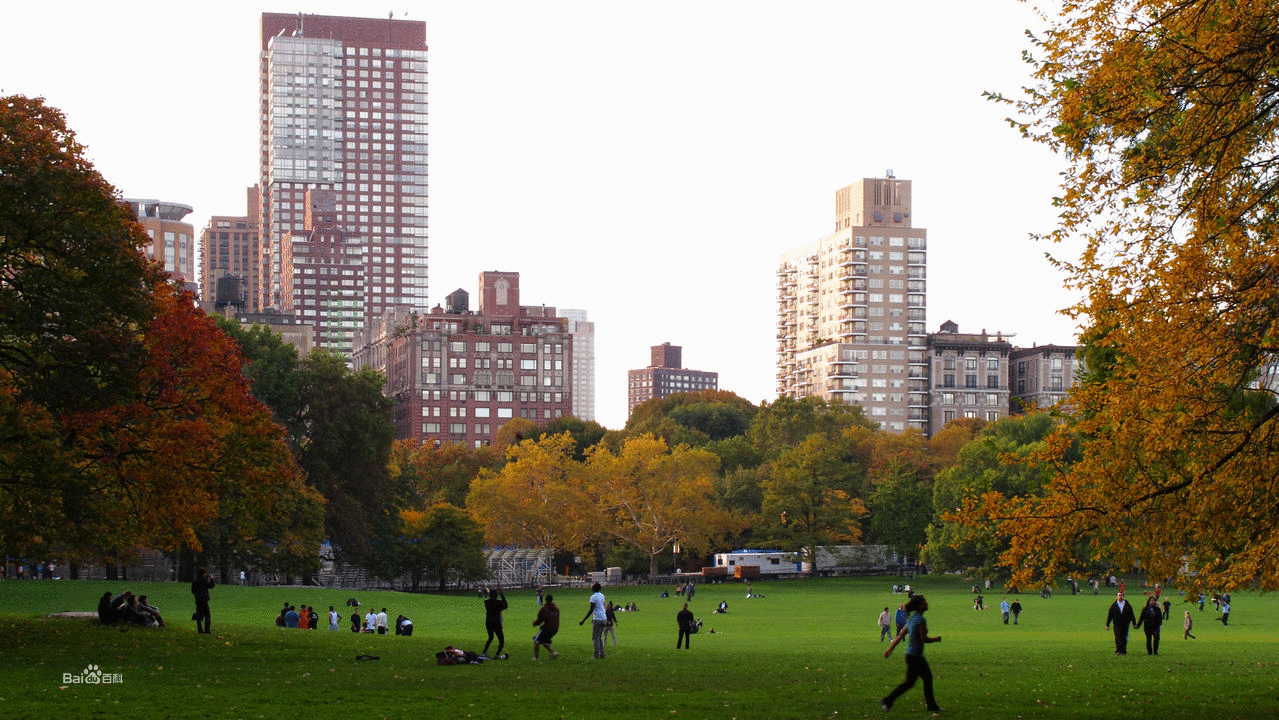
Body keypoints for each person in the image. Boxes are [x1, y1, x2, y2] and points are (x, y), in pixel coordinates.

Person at [881, 594, 943, 713]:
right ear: (920, 606)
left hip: (910, 656)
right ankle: (931, 705)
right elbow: (924, 638)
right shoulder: (920, 620)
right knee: (925, 679)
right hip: (916, 657)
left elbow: (900, 636)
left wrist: (890, 649)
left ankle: (888, 701)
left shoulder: (912, 619)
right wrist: (936, 639)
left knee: (912, 682)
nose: (927, 604)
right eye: (925, 602)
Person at [579, 582, 608, 659]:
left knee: (595, 637)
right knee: (599, 637)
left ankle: (596, 654)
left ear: (594, 588)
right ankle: (602, 654)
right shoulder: (602, 595)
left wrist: (583, 620)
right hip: (604, 618)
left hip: (597, 619)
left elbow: (591, 609)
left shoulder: (593, 597)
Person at [1105, 590, 1137, 654]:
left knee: (1124, 637)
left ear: (1123, 596)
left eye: (1121, 595)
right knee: (1118, 637)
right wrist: (1107, 625)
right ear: (1117, 596)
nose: (1120, 597)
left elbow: (1131, 614)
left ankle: (1123, 650)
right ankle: (1118, 650)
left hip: (1125, 623)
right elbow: (1110, 615)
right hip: (1117, 624)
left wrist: (1134, 623)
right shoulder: (1114, 605)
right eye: (1119, 595)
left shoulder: (1127, 605)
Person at [533, 593, 560, 660]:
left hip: (547, 628)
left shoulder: (544, 608)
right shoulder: (556, 608)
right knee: (545, 641)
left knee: (536, 641)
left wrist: (535, 623)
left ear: (545, 600)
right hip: (555, 629)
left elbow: (540, 619)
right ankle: (553, 653)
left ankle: (536, 657)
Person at [482, 589, 508, 658]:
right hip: (497, 623)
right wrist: (502, 595)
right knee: (501, 641)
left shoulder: (487, 602)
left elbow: (488, 598)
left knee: (490, 637)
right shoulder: (499, 603)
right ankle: (496, 655)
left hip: (489, 622)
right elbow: (505, 605)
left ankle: (484, 652)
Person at [191, 567, 215, 634]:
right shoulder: (204, 580)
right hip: (204, 599)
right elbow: (211, 586)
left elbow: (193, 590)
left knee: (199, 615)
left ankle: (200, 630)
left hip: (198, 600)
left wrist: (196, 595)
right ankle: (207, 629)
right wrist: (211, 579)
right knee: (207, 615)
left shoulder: (195, 581)